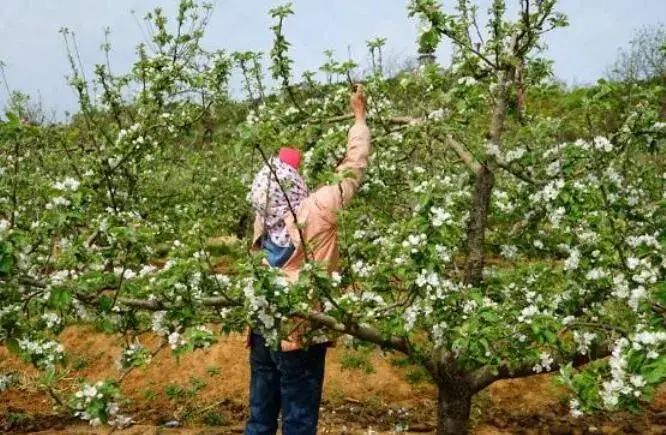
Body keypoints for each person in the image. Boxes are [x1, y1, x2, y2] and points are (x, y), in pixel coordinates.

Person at [245, 86, 371, 435]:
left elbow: (277, 176)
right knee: (299, 423)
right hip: (301, 330)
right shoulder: (318, 209)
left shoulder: (263, 216)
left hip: (262, 328)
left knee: (259, 419)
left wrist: (283, 161)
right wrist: (358, 119)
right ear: (295, 184)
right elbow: (354, 167)